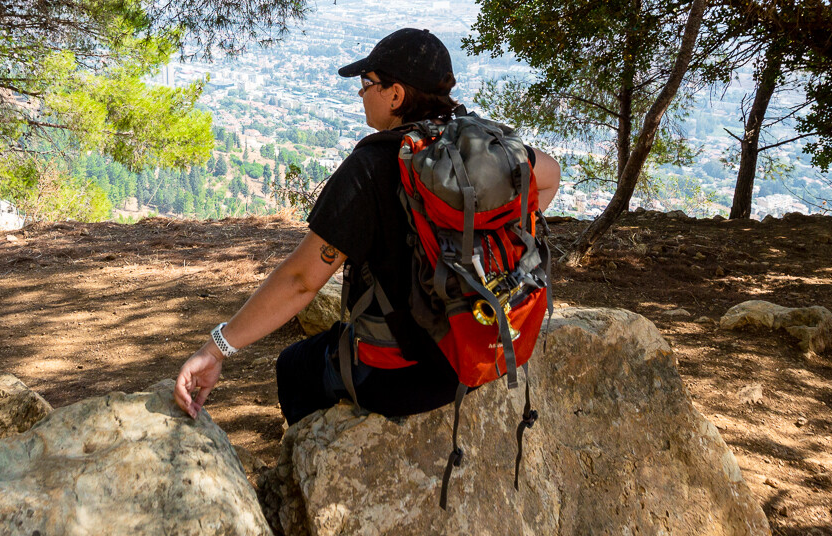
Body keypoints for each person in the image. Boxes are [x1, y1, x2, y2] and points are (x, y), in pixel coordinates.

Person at [174, 28, 560, 424]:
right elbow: (550, 175)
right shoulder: (480, 150)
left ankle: (311, 464)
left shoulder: (371, 168)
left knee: (295, 366)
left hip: (409, 374)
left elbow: (301, 281)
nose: (361, 94)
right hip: (486, 344)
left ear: (395, 95)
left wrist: (216, 348)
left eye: (367, 84)